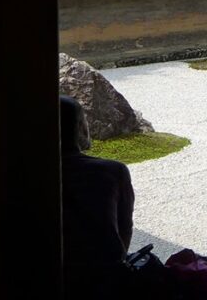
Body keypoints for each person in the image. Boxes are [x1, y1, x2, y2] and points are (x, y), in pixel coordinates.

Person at [60, 96, 136, 300]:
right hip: (102, 278)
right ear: (81, 128)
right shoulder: (112, 171)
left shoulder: (21, 175)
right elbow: (124, 229)